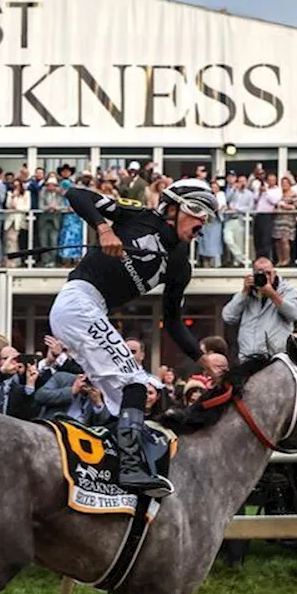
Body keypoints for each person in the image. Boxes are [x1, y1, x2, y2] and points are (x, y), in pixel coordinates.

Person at [47, 178, 214, 498]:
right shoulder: (141, 216)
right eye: (197, 212)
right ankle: (131, 467)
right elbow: (76, 194)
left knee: (132, 388)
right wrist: (104, 229)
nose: (202, 222)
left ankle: (109, 460)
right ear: (173, 208)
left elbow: (174, 322)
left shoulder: (180, 264)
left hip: (91, 311)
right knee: (134, 383)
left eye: (207, 217)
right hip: (78, 302)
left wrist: (204, 360)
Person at [221, 257, 297, 362]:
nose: (265, 277)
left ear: (275, 273)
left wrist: (272, 294)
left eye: (268, 273)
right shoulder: (248, 293)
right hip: (248, 358)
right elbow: (228, 317)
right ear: (253, 275)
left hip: (276, 359)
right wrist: (244, 293)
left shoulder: (287, 291)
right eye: (260, 273)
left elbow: (294, 315)